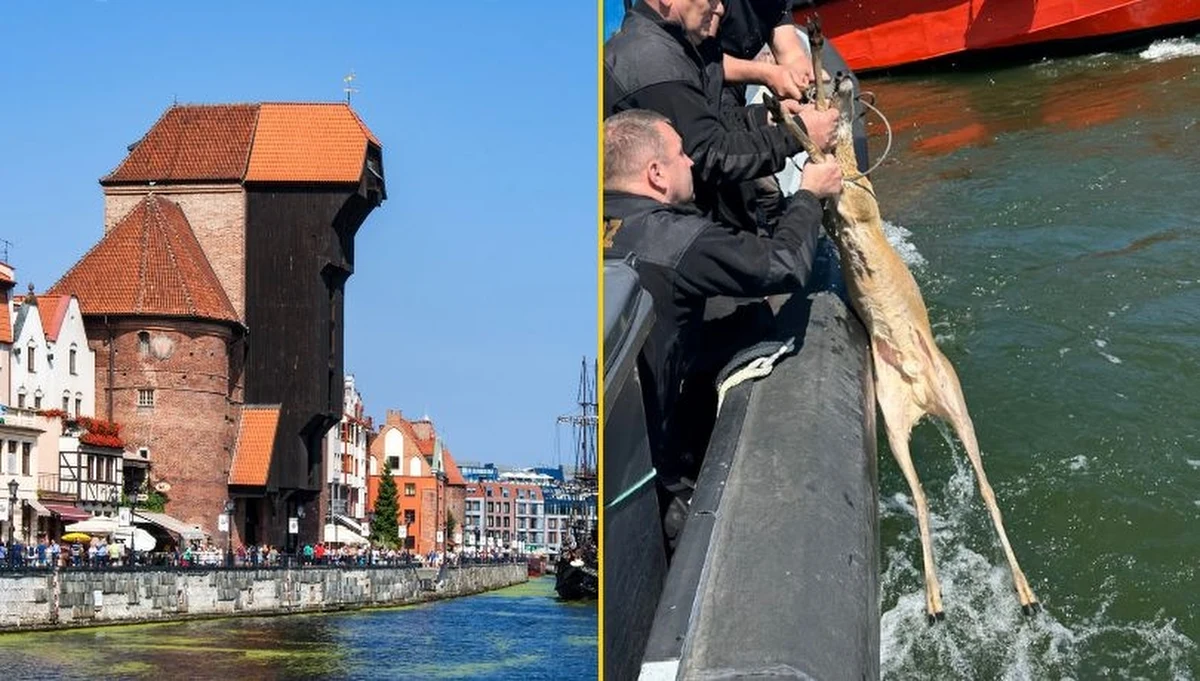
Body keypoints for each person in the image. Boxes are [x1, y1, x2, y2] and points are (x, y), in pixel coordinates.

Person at [603, 109, 841, 521]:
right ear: (656, 174)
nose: (690, 162)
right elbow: (782, 264)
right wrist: (808, 196)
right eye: (681, 154)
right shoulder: (675, 238)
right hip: (649, 457)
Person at [604, 0, 838, 233]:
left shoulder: (674, 42)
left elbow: (712, 119)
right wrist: (798, 134)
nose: (721, 9)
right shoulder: (654, 62)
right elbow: (712, 156)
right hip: (663, 229)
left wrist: (769, 117)